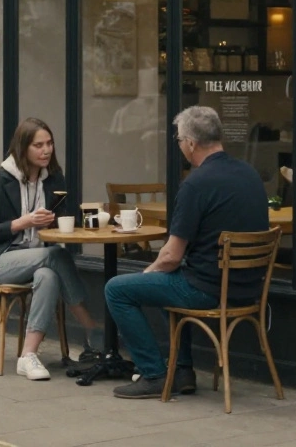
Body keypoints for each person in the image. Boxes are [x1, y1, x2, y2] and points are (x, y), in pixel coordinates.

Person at [104, 106, 269, 399]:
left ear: (191, 143)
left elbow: (170, 257)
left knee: (118, 290)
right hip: (249, 289)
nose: (180, 146)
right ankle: (182, 371)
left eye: (180, 140)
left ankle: (153, 374)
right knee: (175, 281)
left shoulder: (195, 184)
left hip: (208, 290)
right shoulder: (250, 174)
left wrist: (147, 274)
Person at [0, 117, 103, 380]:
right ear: (23, 148)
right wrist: (24, 222)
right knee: (55, 256)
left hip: (39, 261)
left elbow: (64, 218)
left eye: (50, 143)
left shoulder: (54, 179)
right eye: (38, 145)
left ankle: (28, 355)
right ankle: (92, 329)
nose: (46, 150)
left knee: (49, 274)